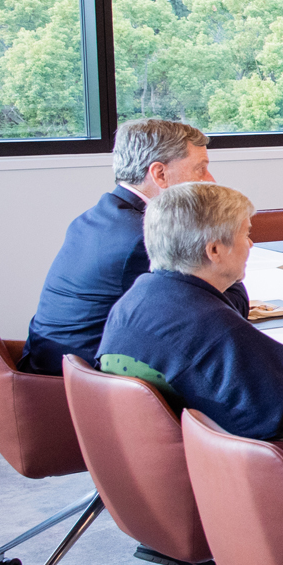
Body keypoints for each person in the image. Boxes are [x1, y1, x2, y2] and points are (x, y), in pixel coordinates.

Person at [20, 119, 234, 374]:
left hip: (49, 364)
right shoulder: (142, 238)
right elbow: (215, 313)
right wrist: (229, 265)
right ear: (160, 174)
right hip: (86, 381)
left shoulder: (97, 217)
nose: (210, 180)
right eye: (200, 169)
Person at [96, 182, 283, 441]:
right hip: (226, 460)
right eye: (245, 234)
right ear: (214, 250)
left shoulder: (132, 301)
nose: (251, 244)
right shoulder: (219, 331)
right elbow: (272, 425)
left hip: (145, 450)